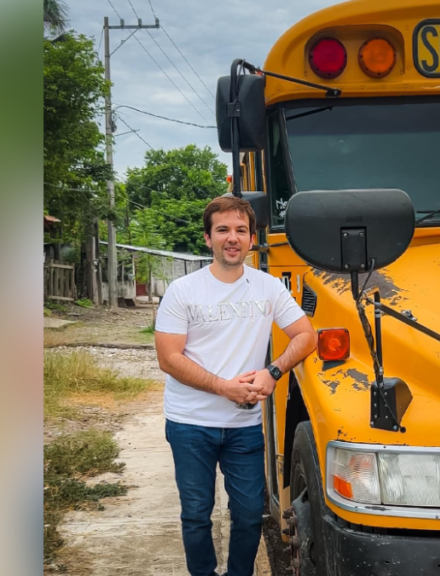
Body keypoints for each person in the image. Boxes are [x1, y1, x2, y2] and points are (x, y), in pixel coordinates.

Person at [154, 196, 317, 576]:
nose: (232, 238)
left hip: (243, 428)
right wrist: (224, 388)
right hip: (190, 423)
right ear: (208, 238)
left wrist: (272, 373)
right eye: (223, 230)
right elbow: (169, 358)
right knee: (196, 514)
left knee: (247, 515)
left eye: (241, 230)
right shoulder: (183, 291)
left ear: (251, 238)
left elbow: (305, 336)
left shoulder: (269, 288)